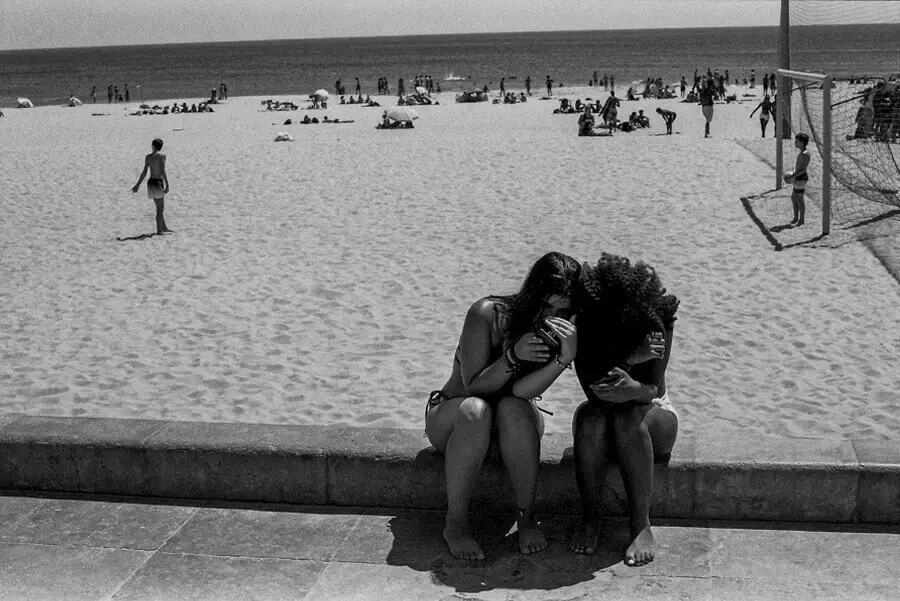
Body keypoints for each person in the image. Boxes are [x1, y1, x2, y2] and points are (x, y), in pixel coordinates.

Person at [425, 252, 581, 560]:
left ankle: (526, 516)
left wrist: (565, 358)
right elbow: (473, 386)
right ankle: (455, 523)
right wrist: (512, 357)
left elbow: (522, 392)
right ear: (532, 294)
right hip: (456, 420)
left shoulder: (560, 330)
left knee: (512, 407)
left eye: (561, 309)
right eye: (546, 305)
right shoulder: (487, 314)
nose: (551, 315)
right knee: (475, 410)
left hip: (512, 426)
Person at [569, 254, 679, 567]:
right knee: (591, 418)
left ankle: (640, 524)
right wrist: (631, 360)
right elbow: (595, 391)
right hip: (601, 412)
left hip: (652, 412)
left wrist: (632, 388)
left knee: (629, 418)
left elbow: (651, 390)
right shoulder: (588, 323)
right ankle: (590, 519)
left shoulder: (655, 319)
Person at [130, 138, 172, 235]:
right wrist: (167, 184)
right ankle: (159, 231)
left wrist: (137, 185)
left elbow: (144, 173)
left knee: (159, 206)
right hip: (158, 182)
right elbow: (162, 171)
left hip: (151, 182)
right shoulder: (162, 156)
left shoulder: (148, 157)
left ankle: (163, 227)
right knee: (160, 208)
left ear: (153, 146)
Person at [783, 132, 810, 226]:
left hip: (800, 179)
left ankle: (801, 220)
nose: (795, 142)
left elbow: (802, 170)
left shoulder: (805, 154)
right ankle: (796, 218)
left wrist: (791, 177)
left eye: (797, 141)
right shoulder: (802, 153)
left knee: (799, 200)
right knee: (794, 198)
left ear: (802, 142)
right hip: (798, 178)